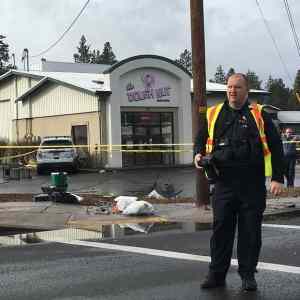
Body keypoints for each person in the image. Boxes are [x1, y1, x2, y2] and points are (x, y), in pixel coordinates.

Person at [194, 73, 284, 291]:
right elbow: (200, 140)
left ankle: (247, 275)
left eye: (238, 87)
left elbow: (275, 145)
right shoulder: (214, 113)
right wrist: (198, 155)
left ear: (247, 90)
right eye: (230, 87)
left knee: (250, 232)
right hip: (223, 183)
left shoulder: (259, 114)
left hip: (251, 184)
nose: (232, 91)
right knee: (221, 230)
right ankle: (216, 274)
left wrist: (277, 178)